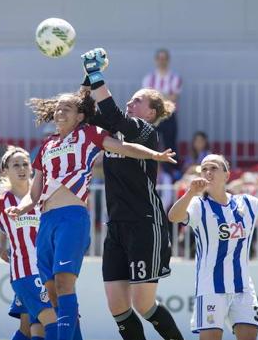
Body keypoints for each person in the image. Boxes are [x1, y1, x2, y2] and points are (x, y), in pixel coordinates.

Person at [6, 88, 176, 340]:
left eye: (67, 108)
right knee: (53, 293)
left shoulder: (90, 134)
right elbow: (35, 191)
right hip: (50, 220)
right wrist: (22, 207)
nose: (60, 110)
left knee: (66, 284)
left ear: (80, 116)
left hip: (78, 218)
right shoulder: (47, 145)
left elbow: (124, 145)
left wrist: (155, 155)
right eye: (58, 107)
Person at [80, 48, 184, 340]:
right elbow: (85, 112)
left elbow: (112, 113)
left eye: (137, 100)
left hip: (144, 224)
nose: (130, 102)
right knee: (117, 307)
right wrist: (87, 78)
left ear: (151, 112)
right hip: (116, 226)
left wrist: (97, 73)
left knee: (143, 304)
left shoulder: (145, 131)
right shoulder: (119, 132)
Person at [168, 154, 258, 340]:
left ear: (227, 175)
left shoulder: (247, 203)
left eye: (214, 168)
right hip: (211, 288)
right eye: (204, 169)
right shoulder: (198, 205)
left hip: (242, 288)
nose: (208, 172)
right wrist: (190, 192)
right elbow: (173, 217)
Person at [0, 146, 56, 340]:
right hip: (26, 273)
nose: (22, 168)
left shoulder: (43, 196)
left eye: (25, 164)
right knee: (54, 321)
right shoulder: (1, 203)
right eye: (16, 165)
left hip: (48, 271)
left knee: (29, 328)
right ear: (5, 171)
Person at [141, 48, 182, 159]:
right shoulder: (148, 78)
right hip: (152, 115)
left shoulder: (175, 78)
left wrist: (156, 95)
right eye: (159, 58)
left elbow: (174, 97)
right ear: (156, 60)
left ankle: (171, 171)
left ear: (168, 60)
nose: (161, 61)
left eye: (164, 58)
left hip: (168, 115)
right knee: (151, 143)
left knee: (170, 144)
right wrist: (164, 95)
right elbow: (147, 97)